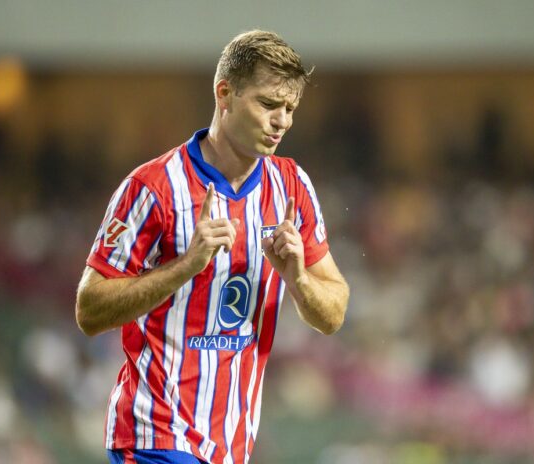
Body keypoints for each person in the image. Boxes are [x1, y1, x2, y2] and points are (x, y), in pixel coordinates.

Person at [75, 30, 350, 464]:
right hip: (155, 435)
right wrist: (186, 265)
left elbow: (333, 313)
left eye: (290, 108)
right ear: (225, 93)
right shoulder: (153, 187)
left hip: (230, 446)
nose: (282, 121)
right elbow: (89, 310)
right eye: (268, 104)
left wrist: (297, 278)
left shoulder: (291, 187)